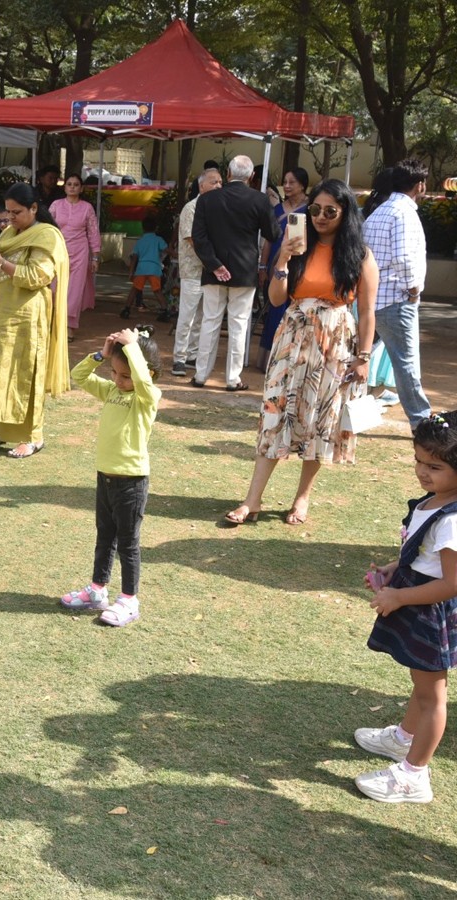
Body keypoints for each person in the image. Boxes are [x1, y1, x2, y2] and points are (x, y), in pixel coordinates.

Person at [223, 179, 378, 527]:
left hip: (334, 344)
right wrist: (283, 257)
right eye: (315, 209)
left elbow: (367, 311)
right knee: (274, 415)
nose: (321, 217)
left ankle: (302, 498)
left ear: (345, 213)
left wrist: (364, 358)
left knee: (320, 421)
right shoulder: (299, 247)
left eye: (330, 211)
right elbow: (277, 298)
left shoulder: (360, 256)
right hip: (291, 341)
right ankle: (253, 499)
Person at [355, 411, 457, 804]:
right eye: (418, 461)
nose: (422, 472)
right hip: (419, 601)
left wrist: (398, 596)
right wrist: (394, 569)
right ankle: (403, 739)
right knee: (422, 684)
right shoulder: (435, 502)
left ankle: (415, 775)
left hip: (430, 612)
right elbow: (421, 551)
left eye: (435, 466)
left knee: (433, 694)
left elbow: (450, 583)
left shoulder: (452, 520)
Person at [63, 327, 162, 626]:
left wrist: (132, 348)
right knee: (104, 536)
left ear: (149, 373)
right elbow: (78, 376)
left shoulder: (148, 396)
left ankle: (129, 601)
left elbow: (142, 382)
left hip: (130, 482)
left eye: (125, 376)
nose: (118, 381)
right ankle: (97, 591)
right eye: (114, 373)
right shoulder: (112, 391)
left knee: (128, 543)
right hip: (105, 478)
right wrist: (101, 355)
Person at [0, 182, 69, 459]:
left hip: (25, 317)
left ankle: (31, 437)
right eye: (8, 213)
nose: (10, 218)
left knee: (23, 375)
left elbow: (38, 276)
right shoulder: (9, 234)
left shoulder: (47, 236)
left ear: (34, 208)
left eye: (17, 212)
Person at [191, 155, 278, 391]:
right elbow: (273, 234)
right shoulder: (259, 200)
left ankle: (200, 375)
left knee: (210, 322)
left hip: (213, 271)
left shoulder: (207, 200)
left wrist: (214, 264)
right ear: (251, 177)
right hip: (244, 270)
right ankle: (233, 378)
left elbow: (199, 238)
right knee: (239, 325)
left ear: (228, 174)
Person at [364, 157, 432, 430]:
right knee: (406, 363)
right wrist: (413, 290)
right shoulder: (404, 213)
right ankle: (421, 421)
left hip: (373, 301)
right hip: (396, 299)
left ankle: (340, 403)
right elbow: (405, 258)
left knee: (360, 354)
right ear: (420, 185)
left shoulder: (379, 211)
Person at [171, 169, 224, 376]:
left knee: (202, 316)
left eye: (221, 182)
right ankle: (179, 358)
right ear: (201, 186)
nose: (219, 185)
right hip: (194, 270)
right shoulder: (191, 208)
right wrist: (215, 262)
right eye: (214, 182)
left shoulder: (218, 209)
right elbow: (193, 240)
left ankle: (192, 355)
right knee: (187, 316)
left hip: (210, 271)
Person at [257, 168, 310, 371]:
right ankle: (271, 361)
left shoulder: (311, 209)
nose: (287, 186)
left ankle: (292, 361)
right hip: (276, 266)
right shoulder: (277, 209)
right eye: (285, 182)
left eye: (292, 182)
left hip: (299, 266)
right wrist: (263, 267)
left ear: (302, 185)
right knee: (275, 310)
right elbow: (270, 240)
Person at [49, 172, 101, 332]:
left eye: (76, 185)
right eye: (69, 184)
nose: (72, 187)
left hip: (80, 253)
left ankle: (69, 327)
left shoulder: (87, 208)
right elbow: (47, 228)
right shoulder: (56, 205)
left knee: (74, 291)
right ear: (64, 187)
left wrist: (95, 257)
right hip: (58, 251)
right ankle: (52, 323)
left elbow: (93, 232)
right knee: (54, 287)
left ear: (81, 188)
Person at [121, 216, 169, 320]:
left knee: (134, 289)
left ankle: (126, 309)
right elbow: (166, 250)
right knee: (157, 291)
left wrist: (131, 271)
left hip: (142, 268)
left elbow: (134, 257)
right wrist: (176, 255)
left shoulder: (140, 241)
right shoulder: (158, 240)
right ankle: (165, 310)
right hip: (154, 268)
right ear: (156, 228)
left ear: (143, 228)